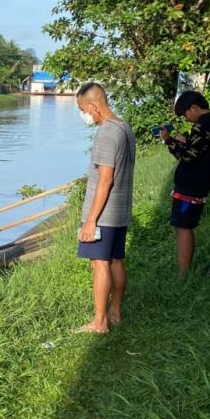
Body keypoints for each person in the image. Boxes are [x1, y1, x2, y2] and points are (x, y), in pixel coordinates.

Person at [75, 83, 136, 334]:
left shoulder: (106, 133)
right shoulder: (124, 128)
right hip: (120, 210)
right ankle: (115, 312)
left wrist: (91, 220)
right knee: (115, 261)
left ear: (93, 106)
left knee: (99, 263)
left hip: (103, 214)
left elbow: (105, 179)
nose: (83, 114)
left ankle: (99, 322)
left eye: (81, 108)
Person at [159, 91, 210, 276]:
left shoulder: (202, 126)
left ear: (195, 108)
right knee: (186, 225)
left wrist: (169, 141)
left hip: (190, 182)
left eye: (185, 114)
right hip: (203, 180)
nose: (186, 119)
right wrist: (186, 141)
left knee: (183, 226)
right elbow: (200, 149)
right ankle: (185, 270)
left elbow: (189, 157)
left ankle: (183, 274)